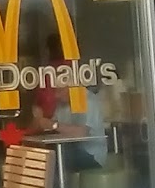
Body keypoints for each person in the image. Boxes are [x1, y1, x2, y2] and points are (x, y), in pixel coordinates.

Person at [32, 34, 108, 172]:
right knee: (43, 154)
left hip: (91, 155)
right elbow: (49, 128)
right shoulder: (62, 105)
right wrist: (39, 120)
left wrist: (53, 124)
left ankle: (56, 186)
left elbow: (81, 133)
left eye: (59, 91)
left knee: (57, 157)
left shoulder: (87, 100)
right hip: (70, 150)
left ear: (70, 86)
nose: (55, 95)